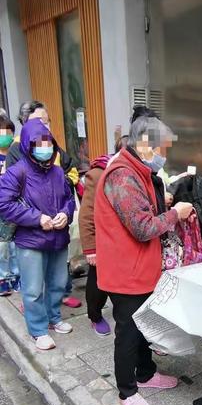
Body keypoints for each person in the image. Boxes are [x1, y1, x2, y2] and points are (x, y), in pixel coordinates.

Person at [95, 115, 193, 405]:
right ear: (145, 146)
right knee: (128, 332)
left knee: (143, 327)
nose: (164, 154)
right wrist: (175, 213)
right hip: (126, 272)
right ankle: (127, 390)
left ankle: (146, 373)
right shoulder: (122, 175)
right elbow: (141, 227)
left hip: (141, 267)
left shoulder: (140, 172)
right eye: (162, 148)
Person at [0, 118, 75, 350]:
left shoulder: (58, 173)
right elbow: (4, 204)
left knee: (58, 283)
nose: (45, 149)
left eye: (48, 143)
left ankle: (54, 318)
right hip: (30, 240)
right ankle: (38, 329)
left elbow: (69, 200)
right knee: (33, 289)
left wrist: (65, 213)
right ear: (27, 145)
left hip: (58, 237)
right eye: (38, 144)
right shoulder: (16, 172)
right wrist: (37, 218)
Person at [7, 101, 82, 309]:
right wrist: (37, 217)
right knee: (34, 283)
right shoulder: (17, 152)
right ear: (25, 123)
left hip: (57, 228)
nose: (44, 126)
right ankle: (36, 316)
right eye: (39, 121)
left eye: (46, 122)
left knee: (57, 277)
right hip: (32, 230)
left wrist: (65, 208)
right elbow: (9, 197)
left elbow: (70, 173)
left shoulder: (54, 150)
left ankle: (56, 308)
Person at [79, 135, 128, 336]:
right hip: (102, 242)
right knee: (97, 282)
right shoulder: (99, 174)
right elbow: (87, 213)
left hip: (123, 242)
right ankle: (95, 315)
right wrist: (90, 249)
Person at [0, 112, 20, 294]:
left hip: (14, 205)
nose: (5, 136)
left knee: (15, 243)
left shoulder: (16, 154)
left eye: (8, 132)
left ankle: (17, 276)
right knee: (2, 245)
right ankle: (3, 278)